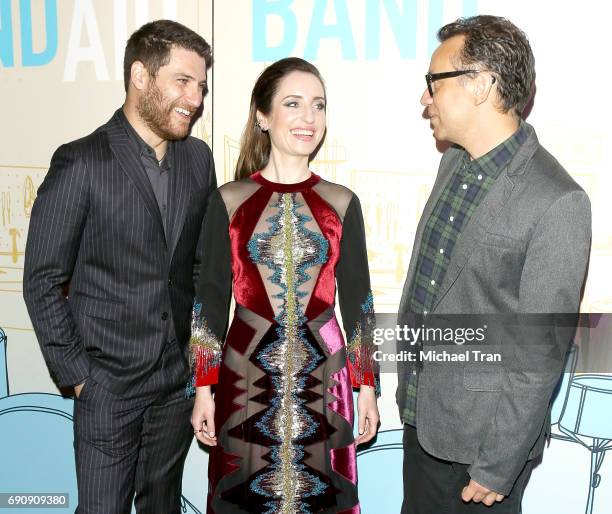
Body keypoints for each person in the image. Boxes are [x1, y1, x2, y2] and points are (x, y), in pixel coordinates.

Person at [397, 15, 591, 514]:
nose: (425, 99)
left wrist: (498, 465)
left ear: (480, 84)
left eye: (432, 83)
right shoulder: (453, 163)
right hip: (422, 423)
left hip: (481, 457)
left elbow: (540, 355)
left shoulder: (558, 200)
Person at [23, 20, 215, 513]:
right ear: (140, 76)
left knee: (162, 507)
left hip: (174, 386)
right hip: (107, 386)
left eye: (201, 86)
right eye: (183, 81)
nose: (194, 99)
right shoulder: (82, 161)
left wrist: (197, 367)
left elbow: (198, 271)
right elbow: (42, 279)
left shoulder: (198, 160)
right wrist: (80, 376)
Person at [189, 57, 380, 513]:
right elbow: (209, 301)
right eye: (292, 104)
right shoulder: (229, 201)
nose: (308, 118)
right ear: (262, 115)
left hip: (326, 377)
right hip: (244, 376)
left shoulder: (342, 203)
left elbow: (359, 302)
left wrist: (367, 386)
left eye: (318, 105)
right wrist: (203, 389)